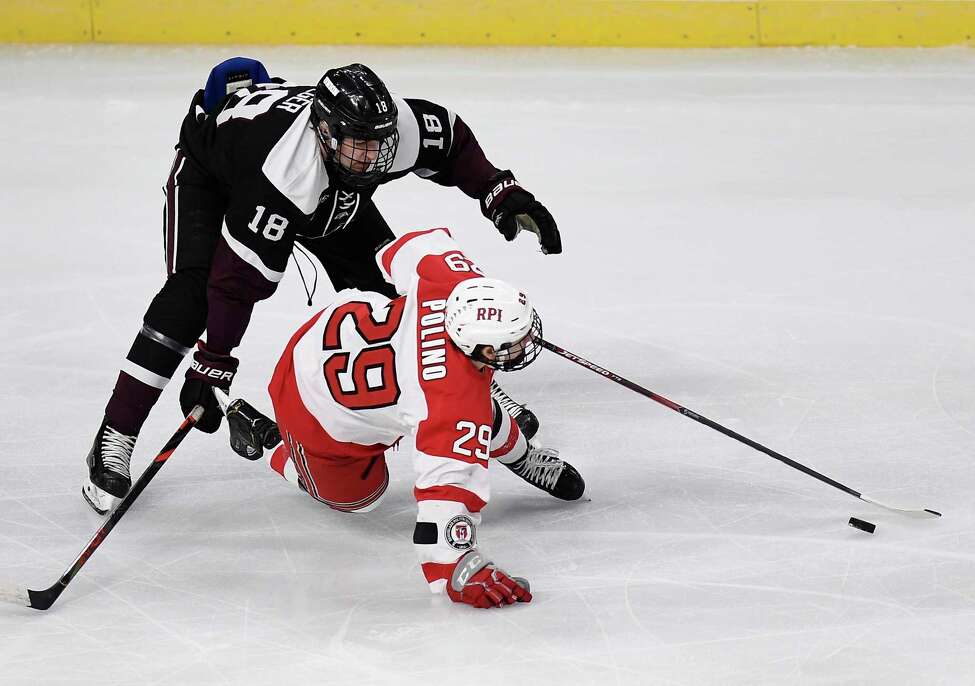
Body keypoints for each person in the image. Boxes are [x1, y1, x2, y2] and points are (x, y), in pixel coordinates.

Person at [83, 57, 562, 514]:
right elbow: (233, 286)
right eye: (361, 144)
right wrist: (214, 362)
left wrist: (500, 191)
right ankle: (115, 435)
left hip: (324, 188)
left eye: (381, 143)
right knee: (190, 298)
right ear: (325, 132)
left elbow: (450, 140)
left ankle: (479, 393)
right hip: (217, 178)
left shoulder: (374, 138)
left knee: (395, 298)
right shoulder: (287, 172)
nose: (375, 156)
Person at [222, 227, 584, 607]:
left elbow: (400, 250)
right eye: (513, 344)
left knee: (479, 406)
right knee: (360, 501)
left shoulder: (451, 280)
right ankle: (272, 442)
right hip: (311, 411)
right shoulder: (449, 400)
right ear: (480, 347)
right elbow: (444, 494)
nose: (526, 345)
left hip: (325, 333)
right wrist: (459, 568)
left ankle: (523, 456)